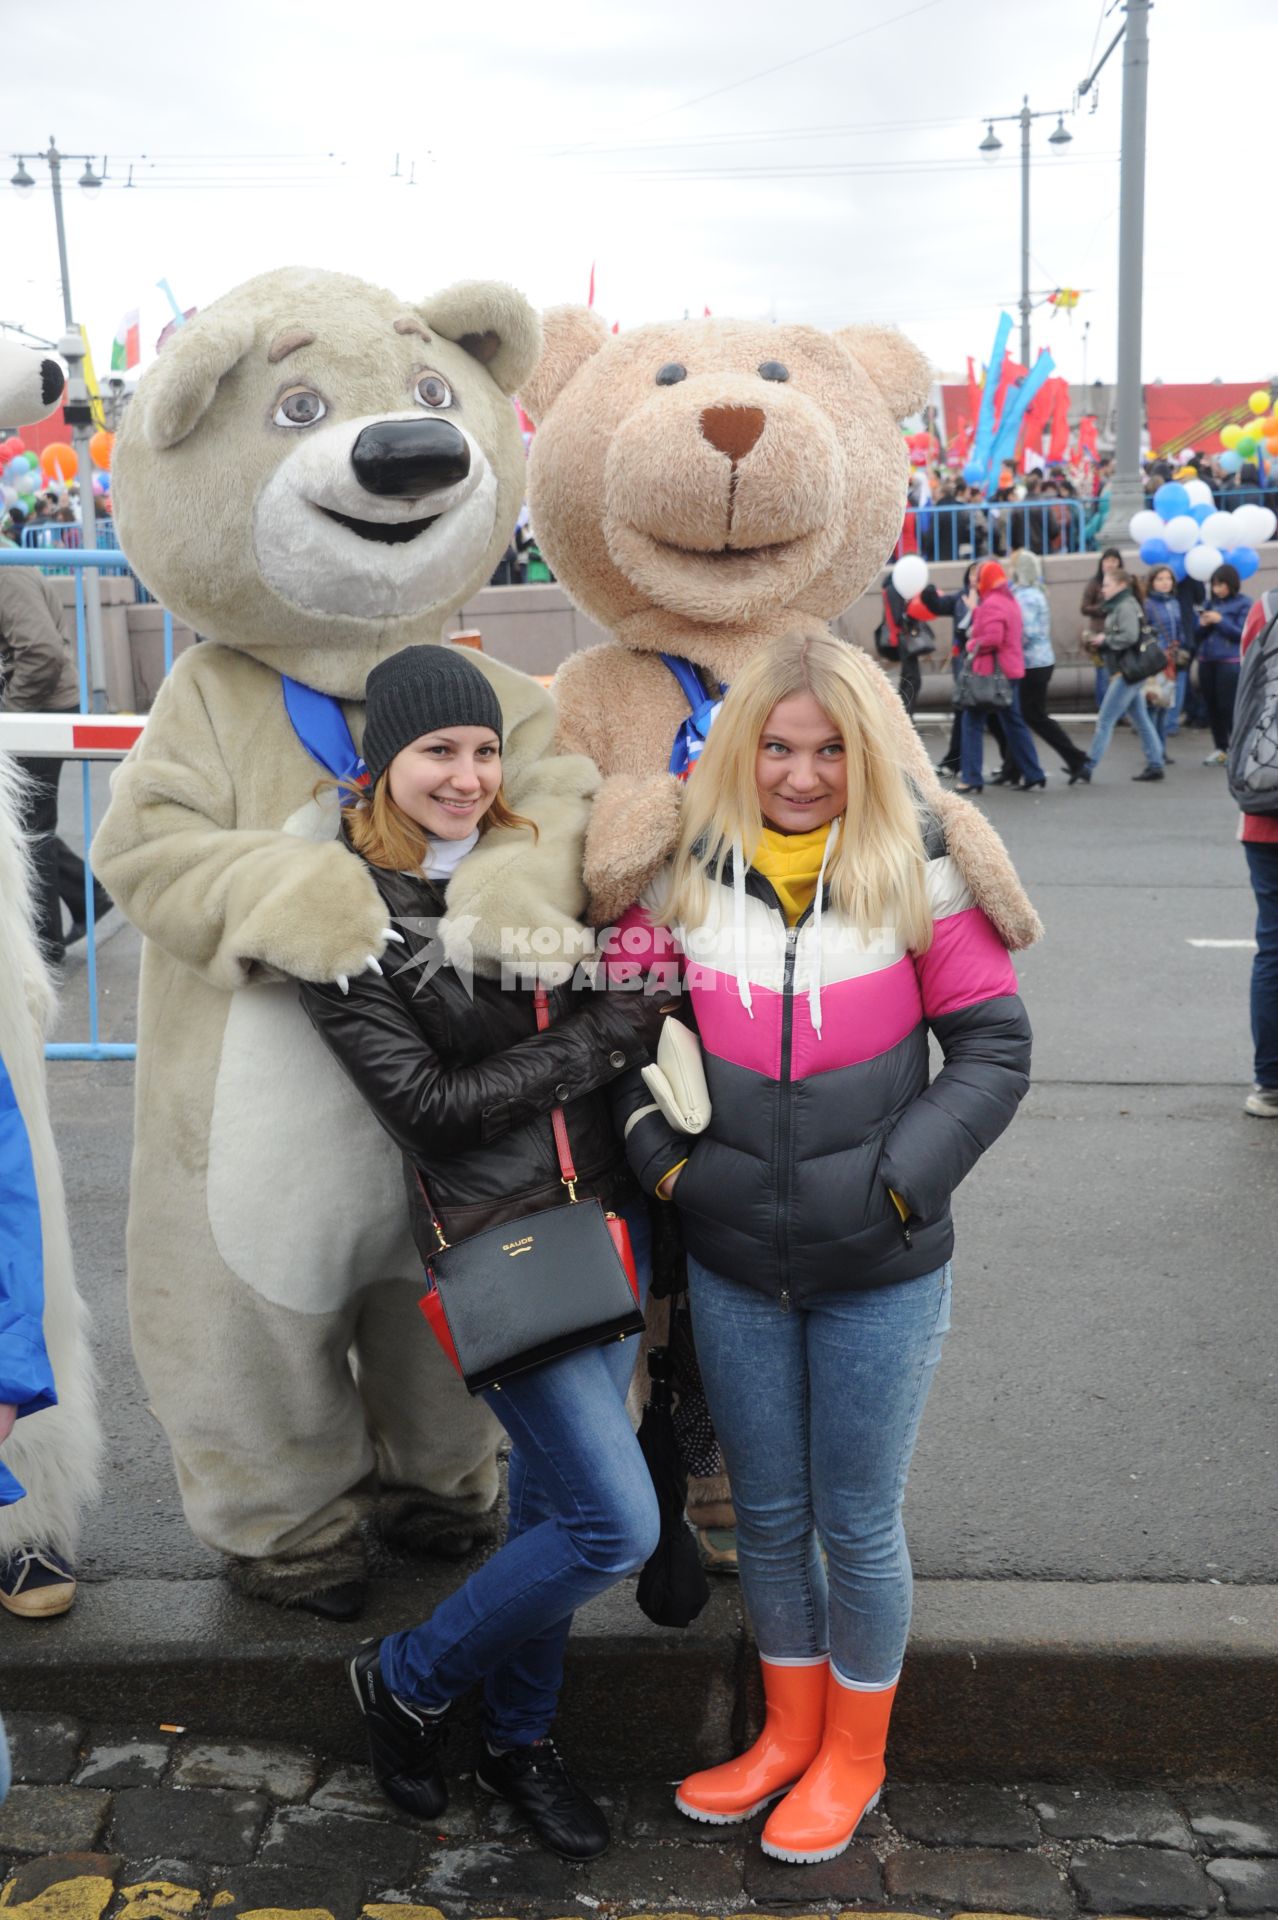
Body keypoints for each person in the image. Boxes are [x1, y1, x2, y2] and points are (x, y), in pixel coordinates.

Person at [616, 626, 1030, 1865]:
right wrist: (673, 1168)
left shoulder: (922, 866)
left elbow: (996, 1050)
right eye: (780, 747)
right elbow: (626, 1034)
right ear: (743, 747)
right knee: (773, 1512)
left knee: (856, 1519)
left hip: (882, 1268)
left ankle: (856, 1752)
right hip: (737, 1263)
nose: (802, 775)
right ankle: (787, 1734)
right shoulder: (684, 871)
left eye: (831, 751)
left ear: (869, 753)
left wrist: (899, 1188)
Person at [296, 645, 670, 1861]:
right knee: (615, 1528)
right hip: (501, 1247)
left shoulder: (540, 858)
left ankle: (520, 1740)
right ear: (380, 764)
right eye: (436, 753)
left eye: (482, 749)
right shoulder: (347, 911)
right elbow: (433, 1108)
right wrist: (604, 1038)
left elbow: (638, 961)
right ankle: (405, 1680)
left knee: (553, 1515)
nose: (465, 775)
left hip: (610, 1219)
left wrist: (640, 981)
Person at [0, 557, 112, 963]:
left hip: (36, 710)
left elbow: (41, 653)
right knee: (28, 820)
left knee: (28, 827)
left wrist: (10, 715)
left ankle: (43, 946)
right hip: (35, 708)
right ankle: (88, 896)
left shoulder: (7, 573)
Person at [1237, 594, 1278, 1118]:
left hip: (1266, 807)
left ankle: (1269, 1083)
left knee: (1272, 946)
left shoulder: (1265, 608)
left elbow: (1247, 707)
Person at [955, 561, 1046, 793]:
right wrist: (977, 611)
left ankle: (971, 777)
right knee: (1014, 722)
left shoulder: (992, 603)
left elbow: (993, 637)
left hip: (991, 673)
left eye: (980, 577)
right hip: (1011, 670)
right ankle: (1034, 772)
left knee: (972, 722)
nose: (976, 582)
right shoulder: (1008, 600)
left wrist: (972, 642)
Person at [1005, 550, 1090, 782]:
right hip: (1039, 661)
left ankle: (1076, 758)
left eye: (1012, 567)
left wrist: (1008, 640)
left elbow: (1028, 632)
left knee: (1031, 716)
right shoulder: (1033, 593)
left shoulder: (1026, 597)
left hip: (1032, 663)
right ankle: (1014, 768)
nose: (1009, 571)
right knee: (1024, 716)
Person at [1079, 569, 1166, 783]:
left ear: (1120, 585)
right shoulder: (1123, 604)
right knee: (1141, 719)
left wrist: (1104, 640)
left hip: (1128, 671)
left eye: (1107, 584)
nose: (1103, 588)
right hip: (1131, 670)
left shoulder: (1125, 605)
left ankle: (1088, 766)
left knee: (1106, 719)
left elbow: (1129, 636)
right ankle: (1156, 763)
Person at [921, 563, 979, 776]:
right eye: (972, 573)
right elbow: (937, 605)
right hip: (965, 666)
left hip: (985, 668)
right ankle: (954, 762)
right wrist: (928, 591)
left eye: (978, 574)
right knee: (964, 712)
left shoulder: (989, 600)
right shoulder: (960, 598)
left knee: (994, 718)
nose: (974, 578)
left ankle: (1019, 766)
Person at [1196, 563, 1251, 765]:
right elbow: (1197, 635)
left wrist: (1220, 620)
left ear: (1231, 583)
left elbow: (1241, 633)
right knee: (1212, 707)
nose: (1217, 590)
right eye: (1214, 585)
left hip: (1229, 662)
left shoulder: (1244, 603)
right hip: (1207, 660)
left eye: (1221, 585)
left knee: (1228, 707)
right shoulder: (1210, 603)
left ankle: (1238, 749)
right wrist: (1202, 624)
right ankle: (1221, 748)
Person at [1141, 564, 1189, 746]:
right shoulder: (1148, 604)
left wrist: (1180, 644)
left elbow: (1179, 628)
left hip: (1172, 660)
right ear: (1152, 582)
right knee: (1155, 704)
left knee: (1166, 704)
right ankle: (1154, 750)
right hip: (1156, 660)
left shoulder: (1174, 602)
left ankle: (1161, 748)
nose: (1165, 583)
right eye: (1160, 579)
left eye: (1168, 578)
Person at [1081, 549, 1124, 710]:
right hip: (1099, 633)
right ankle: (1105, 708)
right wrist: (1103, 608)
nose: (1110, 564)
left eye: (1114, 560)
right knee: (1103, 673)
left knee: (1119, 673)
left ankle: (1118, 709)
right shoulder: (1094, 583)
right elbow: (1084, 608)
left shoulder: (1124, 582)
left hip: (1120, 633)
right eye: (1107, 560)